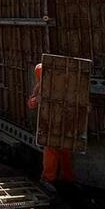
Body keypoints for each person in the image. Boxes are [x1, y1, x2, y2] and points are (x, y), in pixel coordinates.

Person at [28, 63, 75, 193]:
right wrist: (36, 100)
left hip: (62, 122)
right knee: (51, 150)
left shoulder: (62, 84)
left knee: (64, 150)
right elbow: (31, 102)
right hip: (50, 123)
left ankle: (66, 178)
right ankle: (48, 179)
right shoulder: (40, 87)